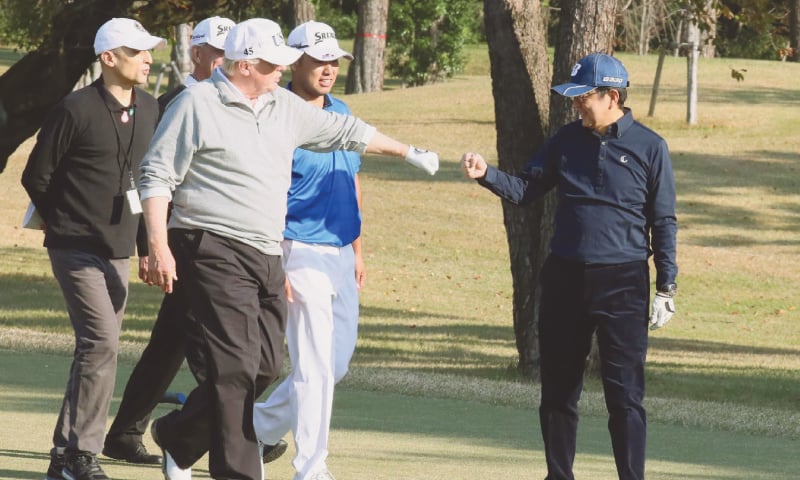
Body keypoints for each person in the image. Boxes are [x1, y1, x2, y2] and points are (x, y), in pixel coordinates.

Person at [138, 18, 438, 480]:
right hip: (210, 244)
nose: (281, 70)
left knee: (263, 367)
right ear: (243, 65)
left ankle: (180, 437)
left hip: (265, 253)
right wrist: (158, 245)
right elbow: (156, 176)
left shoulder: (281, 106)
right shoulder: (196, 103)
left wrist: (409, 150)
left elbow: (348, 133)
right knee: (237, 367)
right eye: (272, 64)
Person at [460, 53, 677, 480]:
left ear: (612, 96)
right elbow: (526, 189)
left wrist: (666, 286)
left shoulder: (650, 147)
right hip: (565, 278)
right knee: (558, 391)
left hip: (623, 282)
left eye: (583, 97)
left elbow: (663, 220)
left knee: (625, 396)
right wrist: (487, 174)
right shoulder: (565, 140)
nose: (576, 105)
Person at [20, 17, 165, 480]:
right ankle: (84, 453)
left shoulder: (151, 108)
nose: (147, 58)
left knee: (95, 349)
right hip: (75, 247)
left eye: (149, 51)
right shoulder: (75, 108)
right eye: (137, 51)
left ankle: (63, 455)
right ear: (108, 58)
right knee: (101, 342)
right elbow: (35, 176)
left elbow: (146, 184)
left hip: (119, 248)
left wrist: (147, 246)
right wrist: (65, 225)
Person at [100, 15, 235, 470]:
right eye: (217, 51)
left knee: (170, 344)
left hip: (209, 240)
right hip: (183, 242)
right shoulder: (174, 102)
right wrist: (151, 243)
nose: (225, 60)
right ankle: (232, 428)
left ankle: (123, 434)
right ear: (196, 53)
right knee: (206, 342)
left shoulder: (232, 101)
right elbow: (148, 178)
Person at [251, 21, 364, 480]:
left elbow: (351, 181)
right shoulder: (275, 114)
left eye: (334, 60)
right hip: (297, 248)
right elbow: (264, 193)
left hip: (340, 253)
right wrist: (276, 260)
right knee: (313, 368)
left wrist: (359, 249)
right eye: (319, 60)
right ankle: (312, 468)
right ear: (292, 62)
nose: (328, 69)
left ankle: (246, 429)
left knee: (333, 366)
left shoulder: (342, 111)